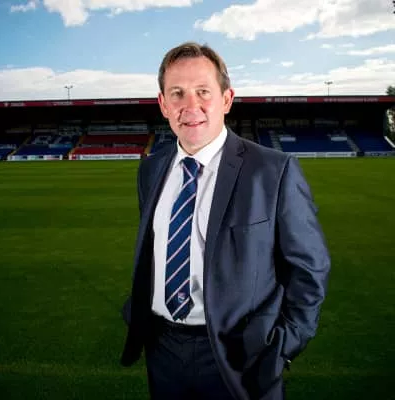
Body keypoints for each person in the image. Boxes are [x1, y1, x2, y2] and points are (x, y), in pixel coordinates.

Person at [121, 42, 330, 400]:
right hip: (162, 347)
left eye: (203, 91)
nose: (191, 106)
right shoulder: (150, 170)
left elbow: (310, 268)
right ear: (163, 104)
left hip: (241, 355)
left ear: (227, 99)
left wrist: (282, 345)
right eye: (177, 93)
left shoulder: (273, 171)